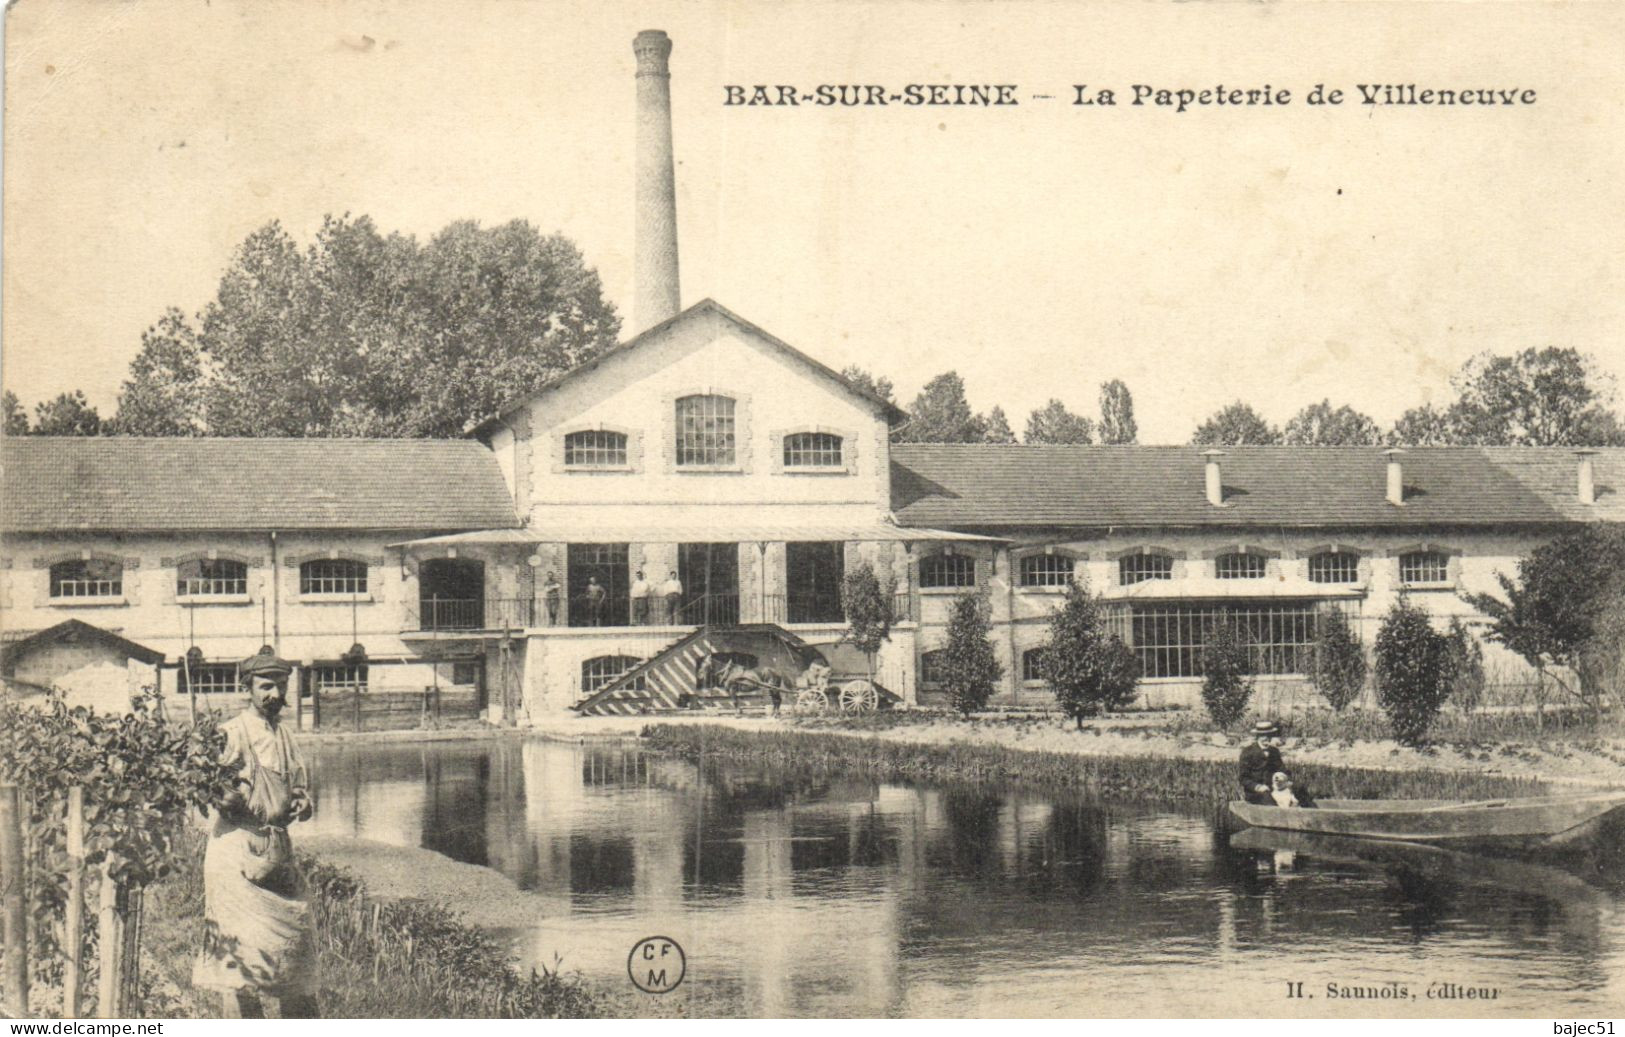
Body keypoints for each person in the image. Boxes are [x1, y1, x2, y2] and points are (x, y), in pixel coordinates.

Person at [193, 647, 317, 1018]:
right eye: (266, 686)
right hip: (235, 853)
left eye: (281, 686)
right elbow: (203, 784)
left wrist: (302, 803)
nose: (274, 695)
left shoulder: (285, 736)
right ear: (246, 687)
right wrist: (223, 796)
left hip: (276, 850)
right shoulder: (230, 733)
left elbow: (297, 788)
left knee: (293, 942)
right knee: (240, 956)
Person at [1238, 720, 1284, 805]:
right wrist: (1257, 787)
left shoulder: (1274, 751)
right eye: (1263, 735)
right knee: (1269, 800)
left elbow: (1282, 770)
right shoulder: (1248, 752)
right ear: (1257, 736)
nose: (1266, 738)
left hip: (1274, 789)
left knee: (1297, 794)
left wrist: (1283, 779)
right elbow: (1243, 778)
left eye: (1268, 735)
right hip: (1255, 793)